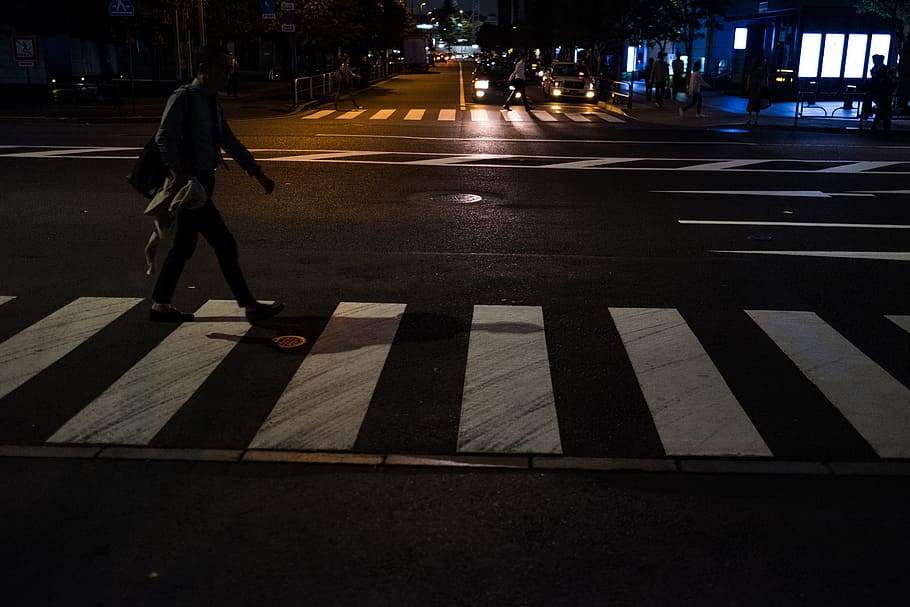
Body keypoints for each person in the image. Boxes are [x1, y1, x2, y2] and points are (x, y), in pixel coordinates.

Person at [150, 44, 283, 324]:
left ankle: (160, 305)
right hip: (191, 186)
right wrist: (179, 176)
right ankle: (249, 305)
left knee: (183, 247)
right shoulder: (184, 97)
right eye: (223, 68)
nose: (228, 74)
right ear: (204, 70)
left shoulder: (212, 102)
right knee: (225, 243)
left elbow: (229, 141)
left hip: (203, 182)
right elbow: (164, 137)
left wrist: (257, 173)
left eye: (229, 68)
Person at [870, 66, 897, 133]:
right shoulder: (888, 80)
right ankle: (886, 129)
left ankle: (876, 128)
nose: (895, 74)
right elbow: (889, 89)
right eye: (895, 73)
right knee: (885, 115)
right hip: (885, 100)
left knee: (881, 115)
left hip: (883, 100)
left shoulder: (886, 80)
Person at [745, 56, 769, 126]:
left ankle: (755, 120)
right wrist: (748, 85)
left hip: (760, 87)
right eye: (763, 61)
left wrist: (766, 86)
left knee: (757, 103)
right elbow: (750, 77)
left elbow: (766, 79)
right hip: (754, 87)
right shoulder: (755, 69)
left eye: (765, 61)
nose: (764, 62)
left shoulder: (764, 69)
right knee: (751, 102)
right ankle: (749, 119)